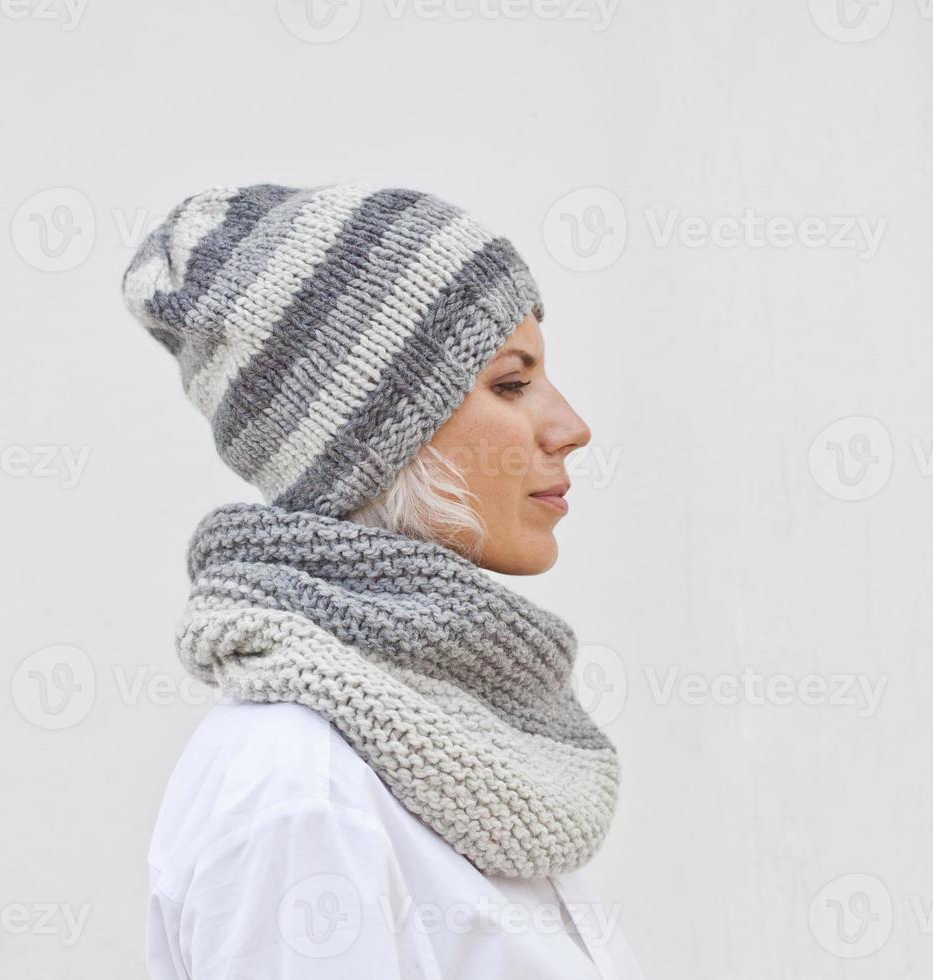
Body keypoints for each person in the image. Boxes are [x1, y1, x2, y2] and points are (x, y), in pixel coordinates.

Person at [121, 183, 641, 979]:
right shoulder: (304, 791)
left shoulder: (463, 733)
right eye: (510, 383)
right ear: (377, 446)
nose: (571, 427)